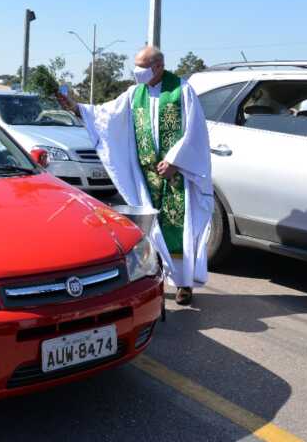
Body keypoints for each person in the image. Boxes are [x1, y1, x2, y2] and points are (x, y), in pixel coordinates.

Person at [57, 46, 213, 306]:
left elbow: (195, 131)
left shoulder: (182, 91)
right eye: (136, 66)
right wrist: (76, 108)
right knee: (151, 230)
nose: (136, 72)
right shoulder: (134, 94)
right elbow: (106, 115)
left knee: (176, 227)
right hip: (147, 177)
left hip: (176, 177)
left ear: (159, 66)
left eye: (142, 67)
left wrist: (175, 161)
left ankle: (184, 283)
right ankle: (157, 280)